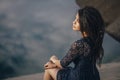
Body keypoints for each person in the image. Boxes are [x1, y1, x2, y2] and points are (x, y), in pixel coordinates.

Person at [43, 6, 105, 80]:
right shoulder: (96, 40)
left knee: (48, 68)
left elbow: (63, 64)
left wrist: (53, 60)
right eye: (75, 18)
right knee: (55, 65)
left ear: (86, 24)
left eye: (77, 21)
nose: (73, 22)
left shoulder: (79, 45)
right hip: (93, 76)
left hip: (78, 77)